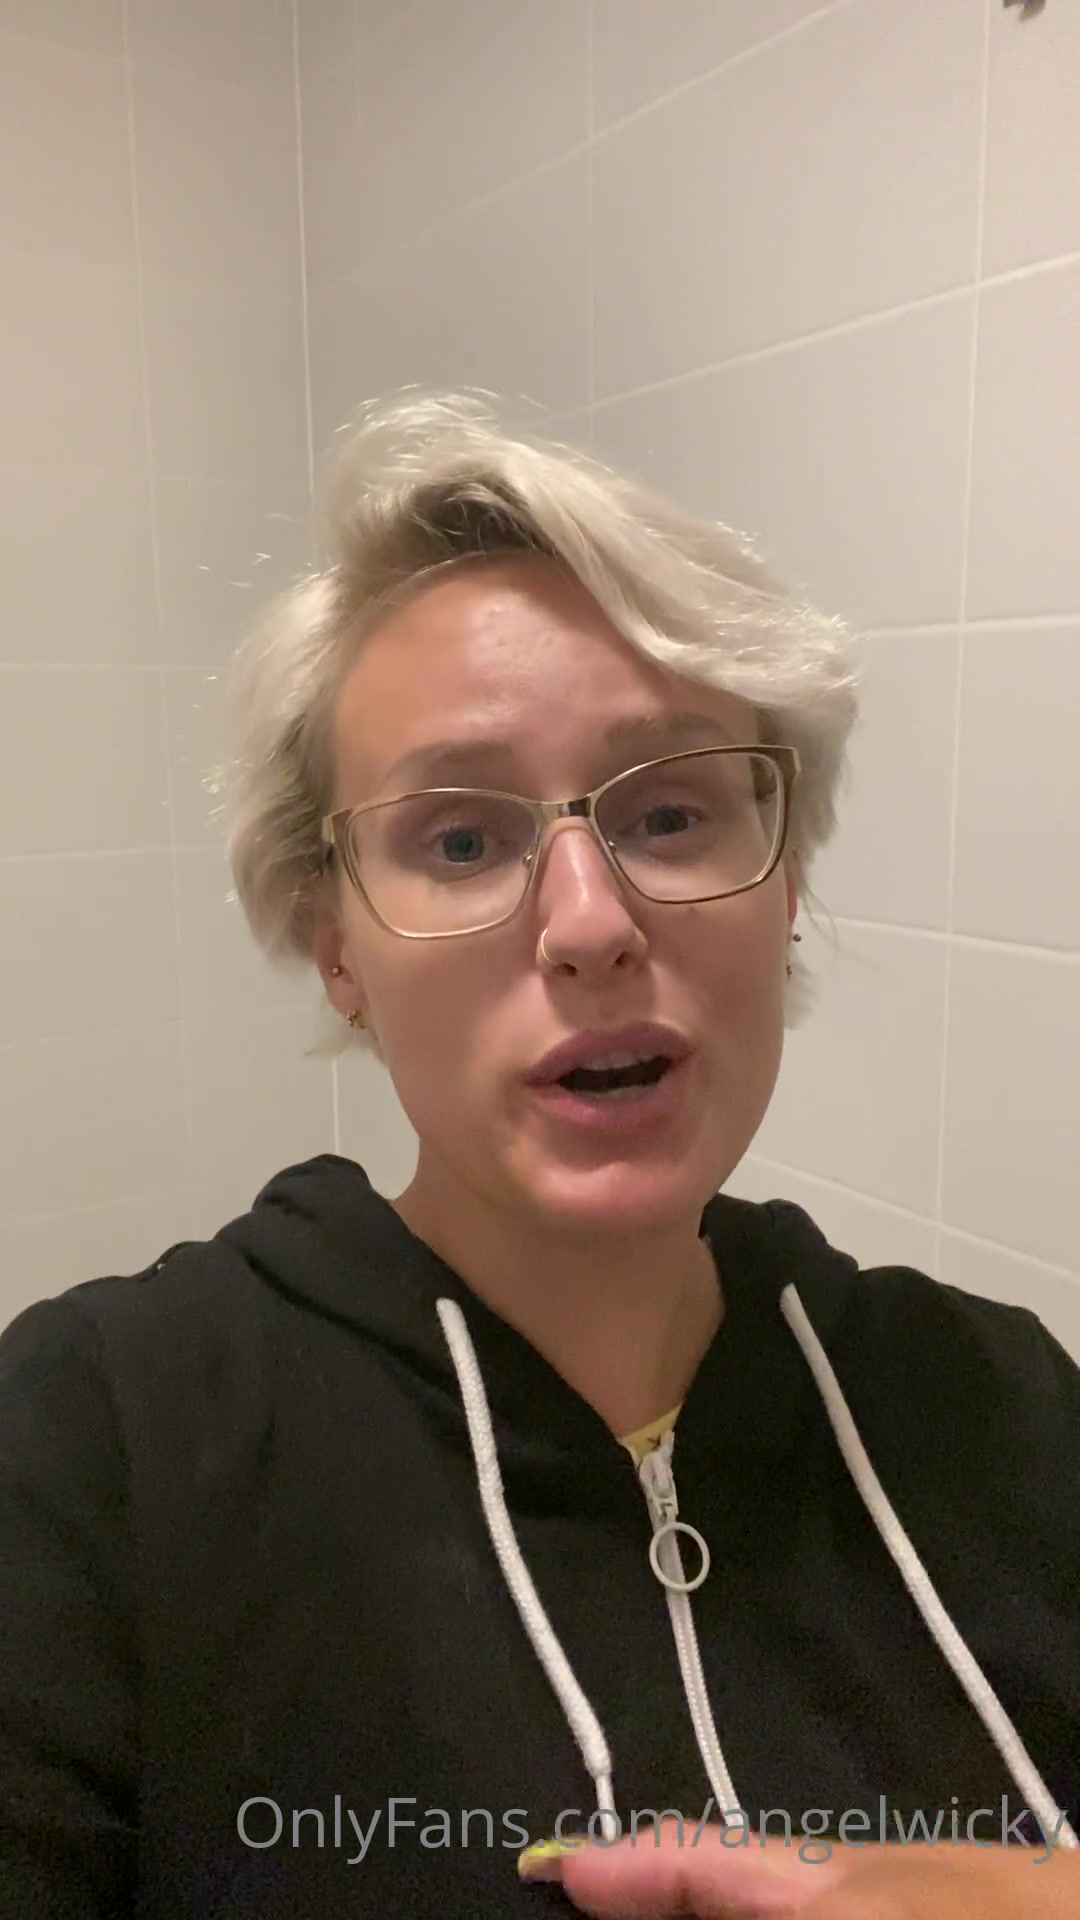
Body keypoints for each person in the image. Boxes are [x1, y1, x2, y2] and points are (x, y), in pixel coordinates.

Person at [0, 393, 1077, 1920]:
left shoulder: (1001, 1404)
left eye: (674, 813)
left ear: (786, 886)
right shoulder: (93, 1449)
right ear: (335, 945)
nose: (589, 923)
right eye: (459, 841)